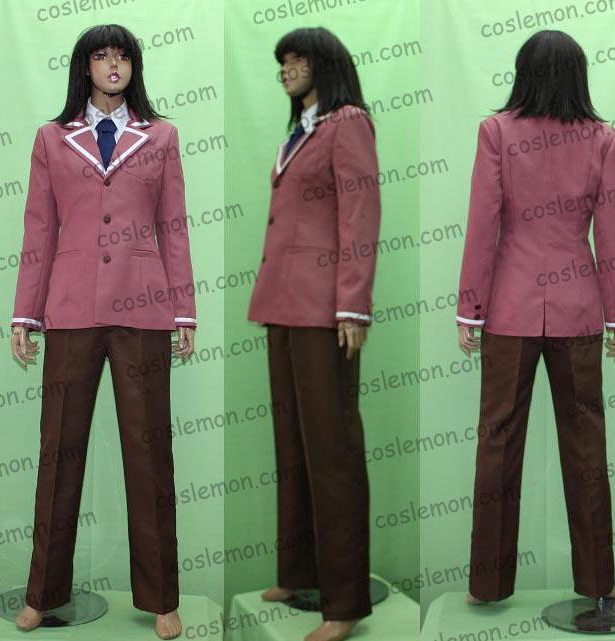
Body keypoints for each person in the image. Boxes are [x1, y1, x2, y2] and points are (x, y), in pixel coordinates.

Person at [10, 24, 196, 640]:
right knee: (59, 453)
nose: (113, 65)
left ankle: (163, 598)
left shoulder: (161, 136)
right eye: (101, 56)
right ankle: (42, 594)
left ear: (134, 67)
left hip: (144, 311)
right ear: (84, 68)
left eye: (123, 56)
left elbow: (174, 226)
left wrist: (184, 311)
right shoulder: (51, 138)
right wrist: (24, 315)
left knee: (150, 454)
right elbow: (39, 230)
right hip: (70, 312)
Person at [456, 29, 615, 604]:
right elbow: (612, 233)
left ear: (523, 73)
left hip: (509, 310)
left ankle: (487, 585)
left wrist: (470, 309)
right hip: (580, 309)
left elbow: (483, 226)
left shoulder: (496, 132)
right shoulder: (602, 138)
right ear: (578, 75)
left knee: (497, 442)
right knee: (587, 445)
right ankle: (598, 583)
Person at [247, 27, 381, 641]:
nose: (286, 68)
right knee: (292, 445)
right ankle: (297, 571)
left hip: (325, 308)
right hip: (282, 304)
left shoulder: (347, 123)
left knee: (332, 450)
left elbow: (360, 214)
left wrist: (352, 306)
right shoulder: (299, 131)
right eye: (282, 61)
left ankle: (345, 601)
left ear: (324, 63)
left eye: (296, 59)